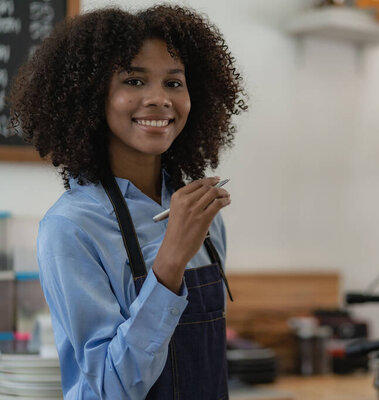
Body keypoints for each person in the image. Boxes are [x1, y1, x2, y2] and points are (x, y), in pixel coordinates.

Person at [8, 5, 247, 399]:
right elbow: (110, 389)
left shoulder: (201, 215)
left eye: (174, 83)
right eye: (134, 81)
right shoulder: (72, 227)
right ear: (91, 95)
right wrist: (169, 262)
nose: (158, 99)